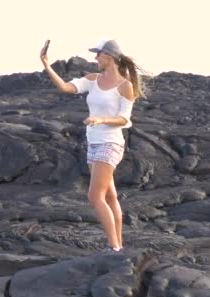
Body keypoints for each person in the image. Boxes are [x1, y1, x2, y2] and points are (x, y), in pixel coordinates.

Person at [40, 39, 145, 252]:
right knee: (109, 196)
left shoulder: (126, 85)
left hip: (111, 143)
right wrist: (46, 64)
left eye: (98, 54)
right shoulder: (92, 79)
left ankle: (113, 246)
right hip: (94, 142)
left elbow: (125, 119)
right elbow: (65, 87)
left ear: (108, 56)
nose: (95, 58)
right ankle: (119, 246)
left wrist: (101, 120)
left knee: (94, 196)